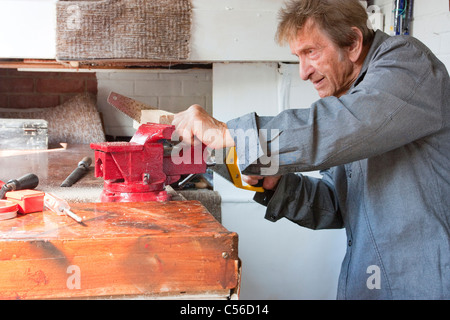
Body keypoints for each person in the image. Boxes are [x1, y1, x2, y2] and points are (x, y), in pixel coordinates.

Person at [172, 0, 450, 300]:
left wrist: (227, 132)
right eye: (297, 56)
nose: (303, 72)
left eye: (311, 53)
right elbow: (334, 205)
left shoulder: (407, 63)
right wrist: (279, 185)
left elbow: (341, 126)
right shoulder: (348, 100)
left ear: (354, 43)